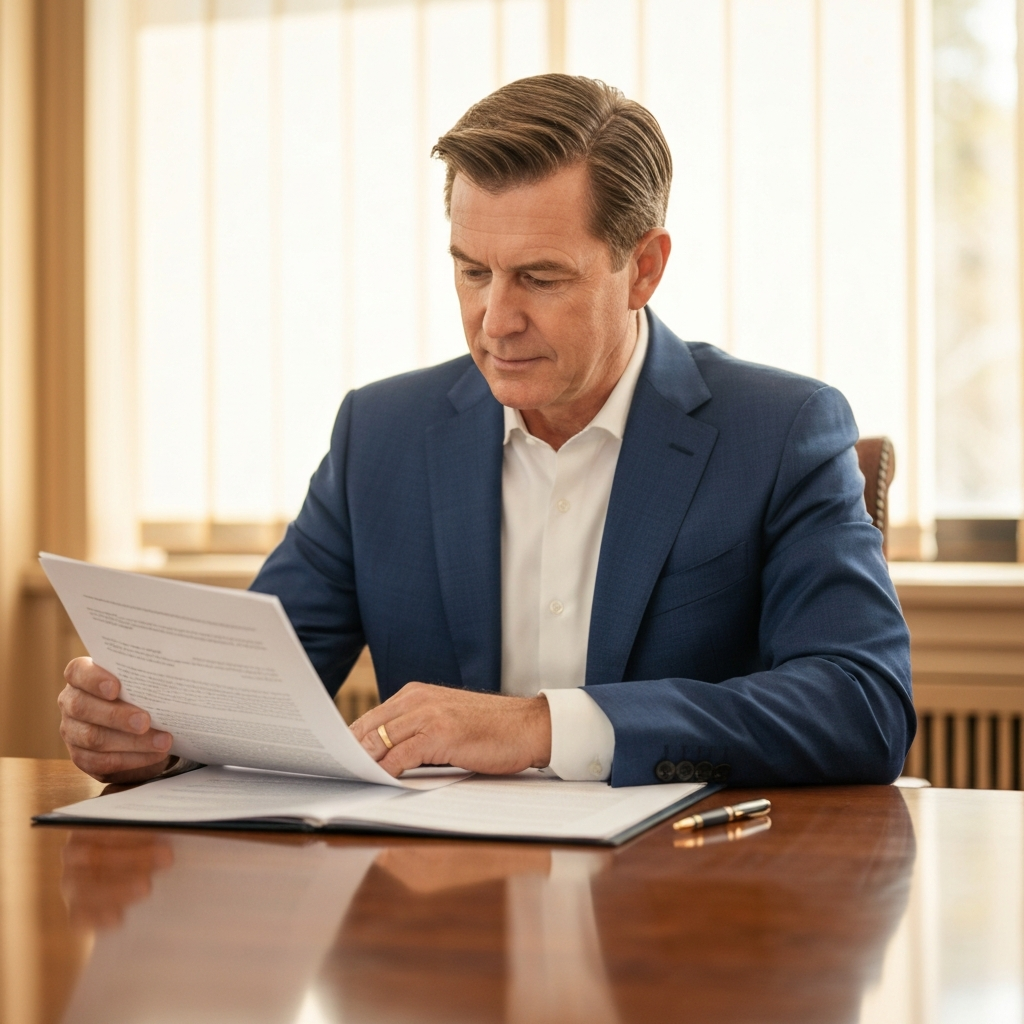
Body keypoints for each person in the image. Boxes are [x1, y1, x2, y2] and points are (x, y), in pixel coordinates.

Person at [57, 74, 914, 788]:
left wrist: (542, 726)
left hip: (678, 898)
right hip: (440, 909)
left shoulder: (779, 431)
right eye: (472, 272)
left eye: (540, 278)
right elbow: (253, 696)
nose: (495, 321)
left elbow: (863, 706)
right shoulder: (380, 436)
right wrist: (151, 733)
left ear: (643, 269)